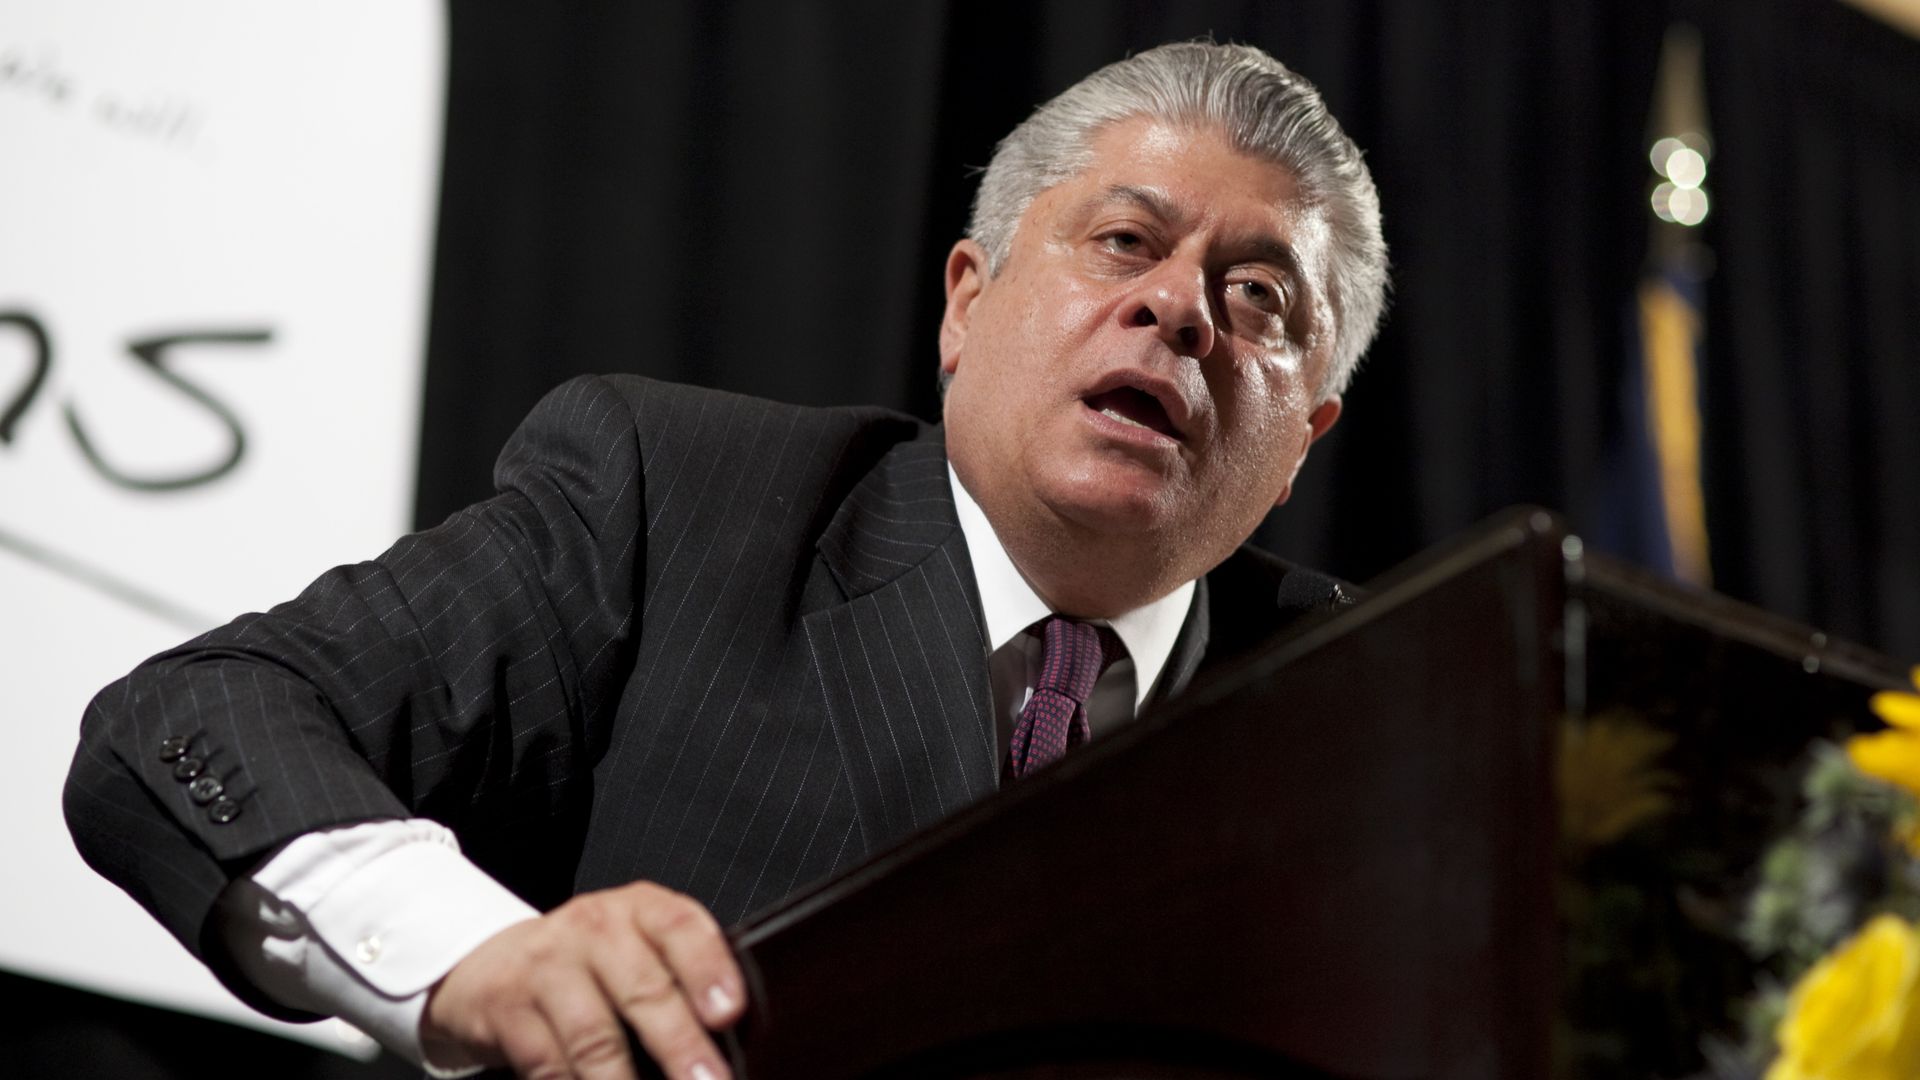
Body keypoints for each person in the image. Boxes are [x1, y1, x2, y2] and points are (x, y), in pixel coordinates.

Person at [65, 40, 1387, 1080]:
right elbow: (190, 719)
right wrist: (478, 958)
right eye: (1124, 242)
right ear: (967, 304)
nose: (1177, 309)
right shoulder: (687, 499)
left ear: (1302, 444)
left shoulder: (1363, 708)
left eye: (1260, 297)